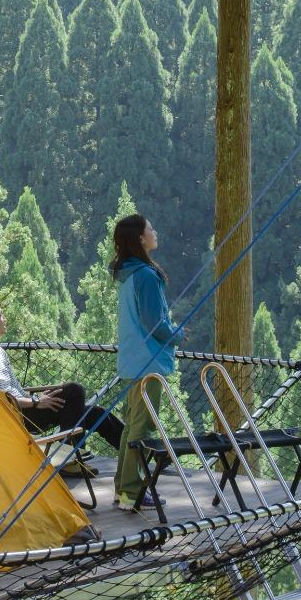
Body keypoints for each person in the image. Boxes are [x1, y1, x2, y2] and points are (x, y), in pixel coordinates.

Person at [0, 298, 125, 476]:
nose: (4, 318)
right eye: (0, 315)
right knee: (74, 390)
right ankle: (70, 459)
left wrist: (38, 399)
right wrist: (35, 402)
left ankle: (133, 449)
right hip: (12, 417)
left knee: (94, 412)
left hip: (25, 407)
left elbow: (16, 388)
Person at [110, 213, 181, 512]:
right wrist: (177, 335)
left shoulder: (127, 275)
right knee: (142, 428)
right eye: (151, 228)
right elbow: (155, 323)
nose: (155, 231)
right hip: (148, 362)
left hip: (131, 361)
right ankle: (132, 491)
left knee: (131, 426)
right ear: (141, 238)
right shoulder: (147, 276)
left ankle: (123, 487)